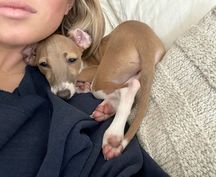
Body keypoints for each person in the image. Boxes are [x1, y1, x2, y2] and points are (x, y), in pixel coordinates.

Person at [0, 0, 169, 176]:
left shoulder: (87, 114)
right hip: (146, 50)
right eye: (44, 64)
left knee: (98, 88)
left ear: (69, 4)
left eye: (71, 60)